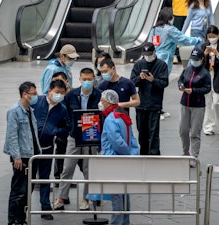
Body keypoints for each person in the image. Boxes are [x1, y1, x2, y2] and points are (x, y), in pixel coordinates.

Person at [53, 68, 102, 210]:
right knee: (68, 167)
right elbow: (66, 113)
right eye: (84, 79)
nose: (87, 82)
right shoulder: (72, 95)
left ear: (94, 79)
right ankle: (61, 198)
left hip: (91, 136)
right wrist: (72, 126)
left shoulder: (99, 95)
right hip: (74, 136)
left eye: (89, 79)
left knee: (89, 169)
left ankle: (87, 199)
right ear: (80, 79)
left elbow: (102, 115)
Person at [4, 81, 41, 225]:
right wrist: (16, 157)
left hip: (33, 154)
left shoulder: (29, 110)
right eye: (33, 93)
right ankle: (13, 219)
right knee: (18, 190)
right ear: (25, 95)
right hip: (22, 157)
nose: (36, 96)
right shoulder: (14, 111)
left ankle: (21, 218)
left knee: (27, 190)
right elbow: (12, 135)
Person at [99, 90, 139, 225]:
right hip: (123, 160)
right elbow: (132, 139)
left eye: (102, 100)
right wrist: (132, 154)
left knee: (116, 195)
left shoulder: (111, 119)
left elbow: (117, 142)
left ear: (108, 102)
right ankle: (125, 221)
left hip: (113, 160)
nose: (100, 103)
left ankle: (117, 222)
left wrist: (126, 153)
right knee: (124, 193)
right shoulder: (123, 116)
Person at [33, 80, 69, 220]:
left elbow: (66, 128)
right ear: (49, 91)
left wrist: (56, 131)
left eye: (61, 93)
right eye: (56, 92)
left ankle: (45, 208)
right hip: (31, 148)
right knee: (29, 179)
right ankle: (23, 208)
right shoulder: (37, 102)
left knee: (44, 178)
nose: (59, 95)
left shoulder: (62, 109)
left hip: (47, 148)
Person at [130, 42, 169, 155]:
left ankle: (154, 155)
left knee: (153, 133)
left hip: (154, 104)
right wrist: (139, 78)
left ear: (154, 52)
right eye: (145, 54)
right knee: (142, 132)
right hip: (141, 104)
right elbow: (132, 82)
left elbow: (164, 83)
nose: (148, 56)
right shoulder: (139, 65)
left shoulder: (162, 65)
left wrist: (153, 80)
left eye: (150, 53)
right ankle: (143, 153)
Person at [178, 48, 211, 163]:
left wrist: (194, 90)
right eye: (192, 59)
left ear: (202, 59)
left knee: (195, 132)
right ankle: (185, 152)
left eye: (196, 59)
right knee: (183, 130)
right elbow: (180, 80)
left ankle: (194, 156)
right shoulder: (187, 70)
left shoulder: (205, 73)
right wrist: (181, 85)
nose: (194, 61)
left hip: (198, 105)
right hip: (185, 103)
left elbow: (207, 88)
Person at [149, 7, 200, 76]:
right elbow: (183, 39)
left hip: (154, 57)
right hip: (165, 58)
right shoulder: (170, 29)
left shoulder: (154, 29)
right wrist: (196, 40)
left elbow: (152, 43)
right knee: (161, 80)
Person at [201, 25, 219, 136]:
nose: (211, 38)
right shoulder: (204, 46)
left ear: (218, 35)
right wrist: (205, 55)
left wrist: (217, 54)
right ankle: (208, 126)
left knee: (217, 102)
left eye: (214, 36)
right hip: (207, 76)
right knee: (208, 103)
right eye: (209, 36)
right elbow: (199, 64)